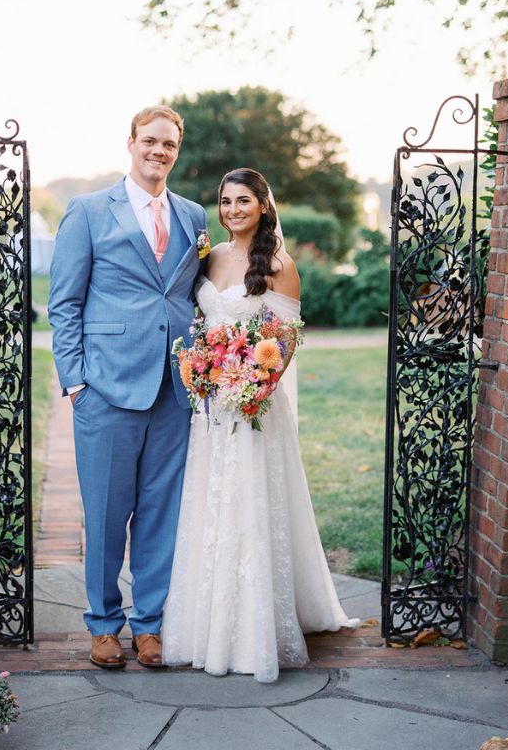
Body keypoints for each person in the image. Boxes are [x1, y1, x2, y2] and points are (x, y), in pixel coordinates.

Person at [162, 167, 358, 683]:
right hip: (210, 408)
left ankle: (253, 631)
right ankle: (204, 624)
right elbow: (202, 325)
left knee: (250, 504)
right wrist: (203, 370)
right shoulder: (212, 257)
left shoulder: (279, 264)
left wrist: (249, 386)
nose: (232, 210)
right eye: (225, 201)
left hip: (253, 407)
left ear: (264, 206)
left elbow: (285, 344)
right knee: (211, 504)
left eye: (243, 200)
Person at [48, 106, 207, 670]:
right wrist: (76, 384)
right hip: (106, 389)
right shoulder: (89, 211)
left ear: (176, 150)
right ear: (131, 143)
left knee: (162, 513)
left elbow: (193, 298)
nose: (158, 151)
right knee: (107, 513)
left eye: (168, 144)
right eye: (149, 141)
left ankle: (150, 625)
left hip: (175, 388)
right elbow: (63, 304)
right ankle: (104, 625)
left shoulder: (193, 216)